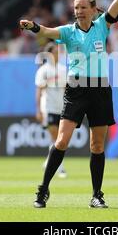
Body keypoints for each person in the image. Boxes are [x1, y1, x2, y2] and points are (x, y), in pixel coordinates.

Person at [20, 0, 118, 208]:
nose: (78, 11)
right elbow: (47, 31)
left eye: (82, 7)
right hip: (76, 88)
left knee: (96, 145)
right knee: (61, 140)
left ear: (93, 9)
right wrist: (33, 26)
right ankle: (43, 190)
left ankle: (96, 195)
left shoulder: (104, 23)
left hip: (100, 88)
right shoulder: (69, 32)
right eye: (75, 7)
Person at [35, 41, 67, 178]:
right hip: (48, 107)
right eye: (54, 52)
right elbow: (39, 91)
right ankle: (60, 167)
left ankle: (49, 160)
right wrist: (38, 110)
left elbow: (67, 90)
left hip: (61, 108)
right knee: (55, 137)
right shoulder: (43, 71)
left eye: (58, 52)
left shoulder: (63, 69)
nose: (57, 54)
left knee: (60, 138)